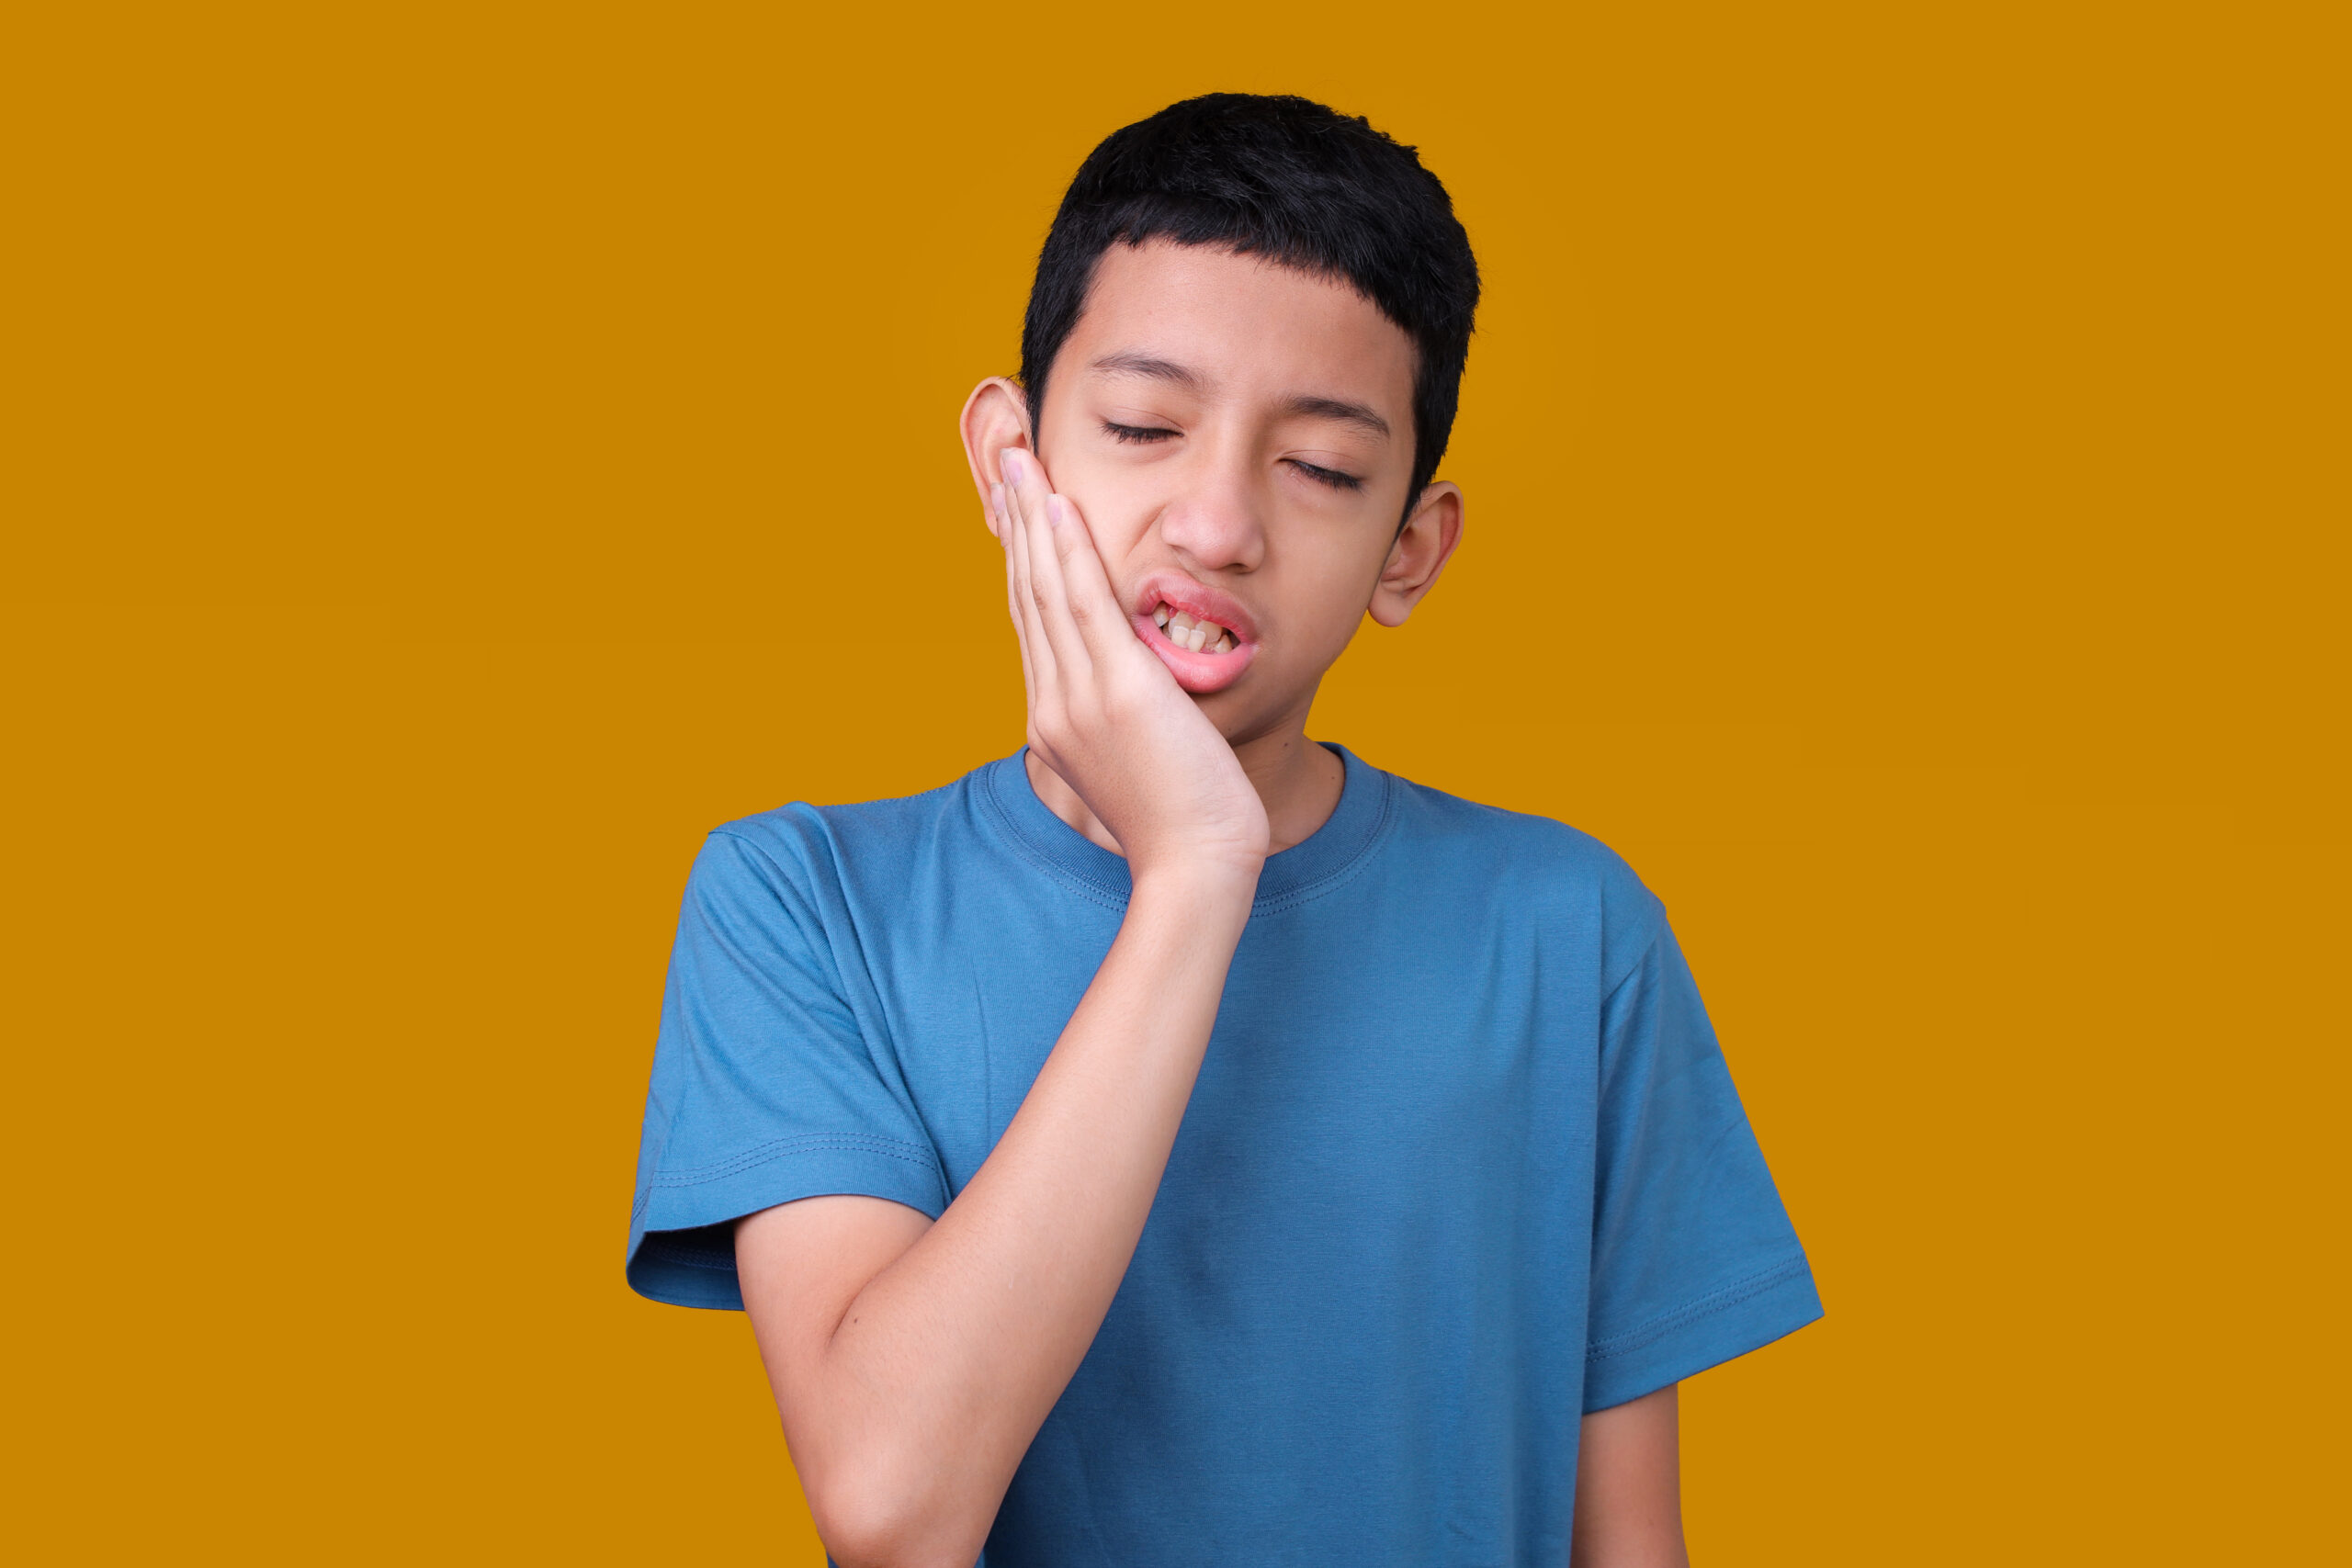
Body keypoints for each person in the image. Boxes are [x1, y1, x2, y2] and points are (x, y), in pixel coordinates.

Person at [626, 93, 1820, 1568]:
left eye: (1320, 469)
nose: (1216, 522)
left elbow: (1632, 1543)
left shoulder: (1566, 931)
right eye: (1141, 427)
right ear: (1011, 461)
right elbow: (892, 1505)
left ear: (1411, 548)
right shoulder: (806, 903)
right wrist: (1194, 872)